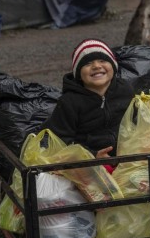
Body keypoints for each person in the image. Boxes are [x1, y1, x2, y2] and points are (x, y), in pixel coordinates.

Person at [42, 39, 134, 168]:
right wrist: (92, 155)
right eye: (88, 63)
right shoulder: (70, 101)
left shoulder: (125, 89)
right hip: (89, 163)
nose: (96, 66)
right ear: (79, 74)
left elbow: (137, 120)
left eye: (102, 60)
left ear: (113, 66)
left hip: (127, 156)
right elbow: (61, 141)